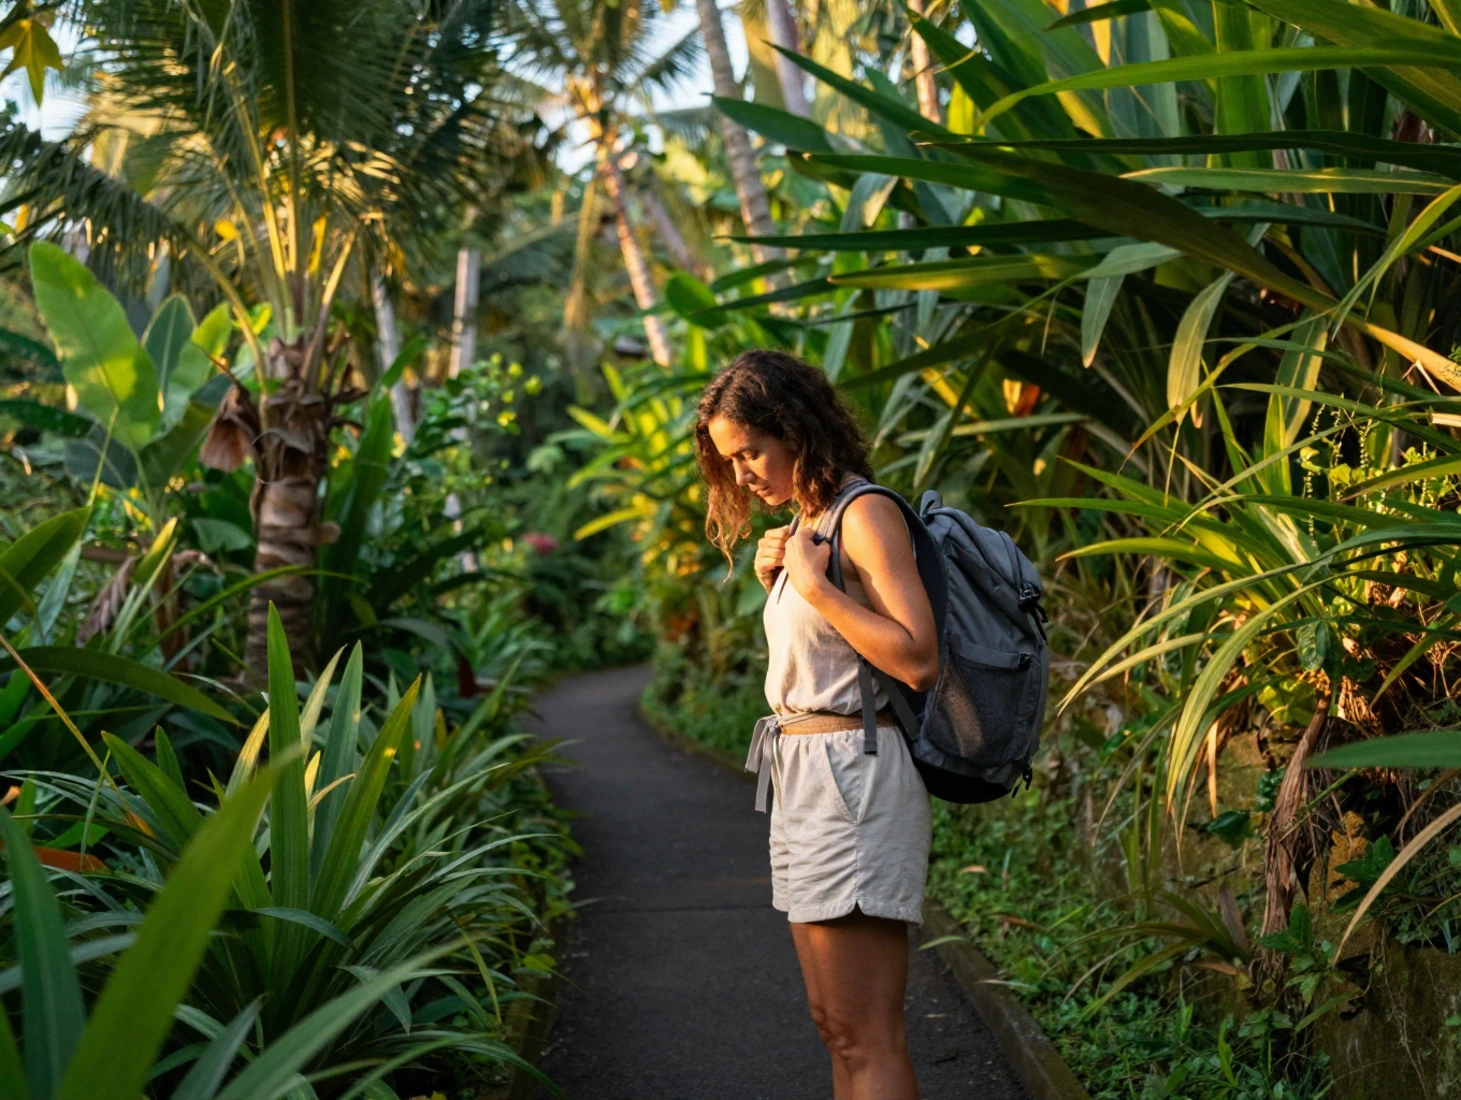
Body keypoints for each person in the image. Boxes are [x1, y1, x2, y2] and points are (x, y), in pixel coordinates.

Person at [694, 349, 938, 1100]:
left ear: (795, 429)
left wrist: (813, 587)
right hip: (806, 773)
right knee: (833, 1024)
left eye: (751, 452)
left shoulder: (863, 514)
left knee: (866, 1033)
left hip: (853, 776)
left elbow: (918, 657)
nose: (741, 474)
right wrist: (789, 574)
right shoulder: (812, 524)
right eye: (730, 460)